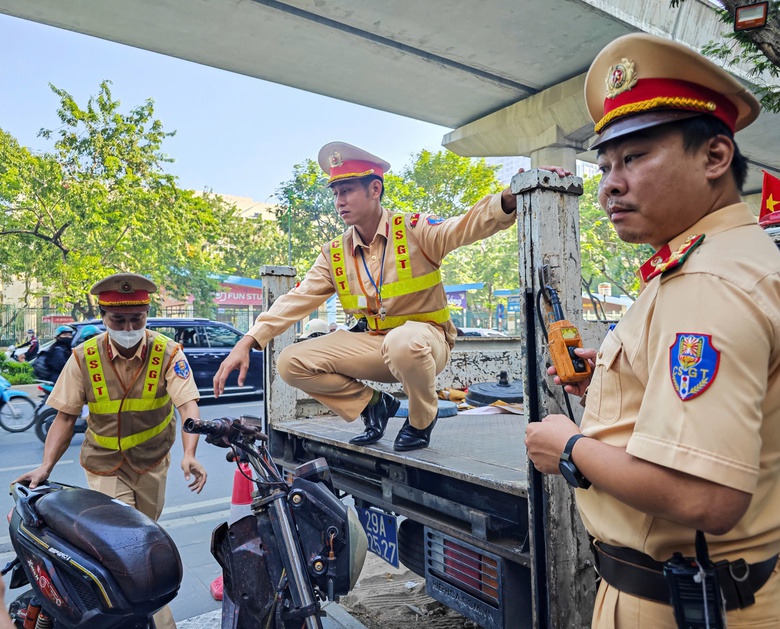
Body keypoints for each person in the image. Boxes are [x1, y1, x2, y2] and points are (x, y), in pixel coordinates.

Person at [524, 33, 780, 626]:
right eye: (606, 166)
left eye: (635, 158)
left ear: (715, 157)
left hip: (684, 603)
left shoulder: (706, 280)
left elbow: (705, 496)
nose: (610, 184)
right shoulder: (726, 258)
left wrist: (568, 447)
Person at [214, 141, 570, 451]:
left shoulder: (414, 229)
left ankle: (420, 419)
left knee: (403, 342)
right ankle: (373, 405)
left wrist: (506, 198)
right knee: (290, 362)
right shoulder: (334, 253)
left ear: (374, 189)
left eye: (347, 190)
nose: (339, 201)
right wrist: (248, 340)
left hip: (426, 342)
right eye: (335, 193)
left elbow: (462, 227)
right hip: (374, 343)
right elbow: (298, 299)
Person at [15, 273, 208, 629]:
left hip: (151, 463)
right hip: (103, 465)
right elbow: (64, 416)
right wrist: (45, 467)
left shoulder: (167, 352)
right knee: (128, 551)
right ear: (103, 316)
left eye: (137, 319)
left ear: (147, 315)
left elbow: (187, 405)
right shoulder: (84, 357)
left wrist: (190, 453)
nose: (129, 328)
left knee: (146, 540)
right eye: (119, 320)